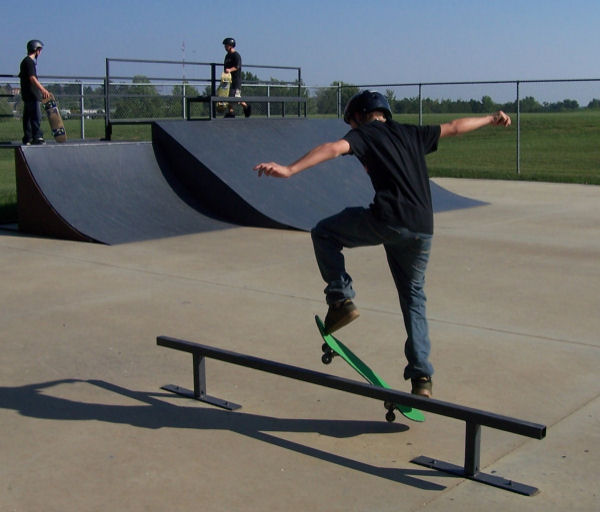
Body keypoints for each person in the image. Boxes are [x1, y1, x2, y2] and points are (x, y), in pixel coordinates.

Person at [253, 90, 511, 397]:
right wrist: (492, 118)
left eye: (352, 123)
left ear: (361, 116)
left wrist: (290, 169)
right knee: (414, 298)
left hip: (388, 219)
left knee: (324, 233)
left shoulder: (365, 135)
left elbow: (334, 148)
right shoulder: (411, 132)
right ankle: (422, 378)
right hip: (423, 228)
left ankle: (340, 300)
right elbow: (455, 126)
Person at [19, 39, 51, 145]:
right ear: (35, 50)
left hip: (26, 93)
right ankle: (37, 137)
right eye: (39, 50)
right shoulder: (29, 62)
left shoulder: (25, 61)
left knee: (28, 117)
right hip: (32, 93)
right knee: (35, 116)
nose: (40, 53)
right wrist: (43, 90)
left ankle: (28, 137)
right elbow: (32, 78)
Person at [222, 37, 251, 118]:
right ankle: (231, 112)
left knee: (236, 97)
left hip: (236, 80)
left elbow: (237, 66)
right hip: (228, 80)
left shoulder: (236, 55)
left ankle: (246, 106)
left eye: (226, 46)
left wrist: (230, 70)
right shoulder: (227, 56)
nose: (225, 47)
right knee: (228, 96)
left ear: (231, 46)